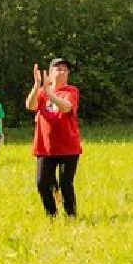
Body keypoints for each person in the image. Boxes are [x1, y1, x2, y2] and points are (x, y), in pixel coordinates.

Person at [27, 59, 82, 216]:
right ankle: (51, 214)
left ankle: (71, 215)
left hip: (68, 147)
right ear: (49, 74)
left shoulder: (71, 91)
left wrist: (49, 93)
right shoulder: (41, 92)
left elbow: (66, 107)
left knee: (65, 184)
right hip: (45, 146)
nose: (62, 71)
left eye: (65, 69)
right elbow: (30, 105)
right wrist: (37, 85)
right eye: (58, 69)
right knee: (42, 183)